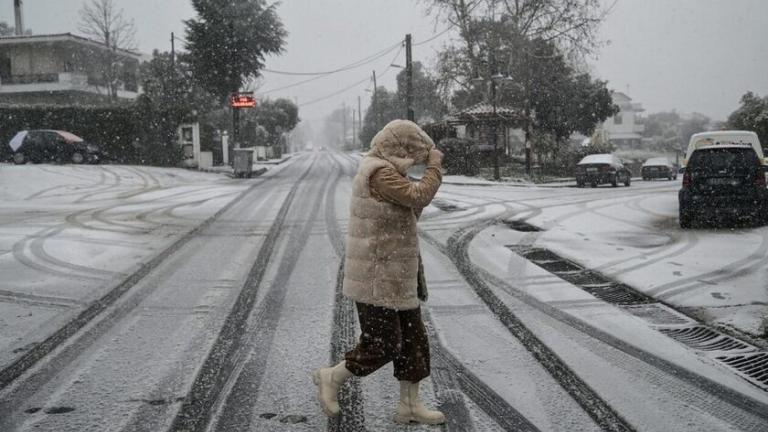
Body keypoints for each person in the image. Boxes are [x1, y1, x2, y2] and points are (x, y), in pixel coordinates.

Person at [313, 119, 445, 425]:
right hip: (377, 277)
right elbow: (418, 196)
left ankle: (409, 406)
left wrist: (421, 184)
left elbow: (410, 210)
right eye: (413, 153)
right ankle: (332, 376)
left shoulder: (387, 171)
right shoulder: (379, 172)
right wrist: (434, 168)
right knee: (382, 343)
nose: (416, 160)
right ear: (399, 148)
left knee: (414, 342)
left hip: (398, 274)